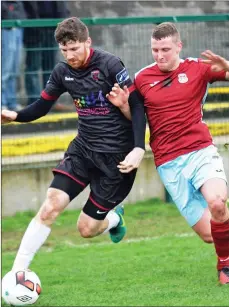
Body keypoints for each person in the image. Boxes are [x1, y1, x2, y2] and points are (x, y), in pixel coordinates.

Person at [1, 17, 146, 272]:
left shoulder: (110, 64)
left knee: (86, 229)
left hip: (116, 159)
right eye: (64, 49)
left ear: (87, 42)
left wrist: (138, 148)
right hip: (82, 151)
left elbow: (136, 105)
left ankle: (114, 218)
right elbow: (43, 105)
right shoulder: (62, 72)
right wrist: (17, 116)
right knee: (50, 205)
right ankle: (17, 272)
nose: (69, 55)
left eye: (74, 48)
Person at [107, 22, 229, 285]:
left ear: (178, 46)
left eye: (165, 49)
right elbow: (135, 117)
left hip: (200, 151)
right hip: (169, 163)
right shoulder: (141, 79)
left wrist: (227, 66)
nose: (159, 55)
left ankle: (225, 266)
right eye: (155, 50)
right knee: (211, 233)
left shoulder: (198, 68)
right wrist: (123, 106)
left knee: (218, 202)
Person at [22, 1, 69, 105]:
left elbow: (63, 8)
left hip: (53, 29)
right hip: (33, 30)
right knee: (33, 67)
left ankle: (50, 101)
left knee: (51, 68)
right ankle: (34, 101)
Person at [1, 1, 26, 111]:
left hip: (17, 26)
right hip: (6, 27)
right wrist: (9, 13)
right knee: (5, 68)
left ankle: (11, 102)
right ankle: (2, 102)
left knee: (14, 69)